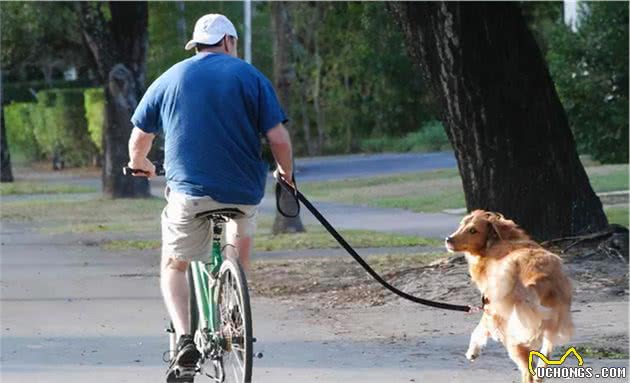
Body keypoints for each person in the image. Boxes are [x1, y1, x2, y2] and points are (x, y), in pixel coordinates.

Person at [127, 13, 294, 373]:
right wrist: (286, 174)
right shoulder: (250, 76)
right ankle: (234, 304)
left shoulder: (172, 76)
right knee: (239, 231)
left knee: (175, 263)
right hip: (243, 191)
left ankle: (185, 340)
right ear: (230, 42)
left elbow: (140, 136)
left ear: (197, 46)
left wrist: (139, 163)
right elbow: (278, 138)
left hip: (189, 193)